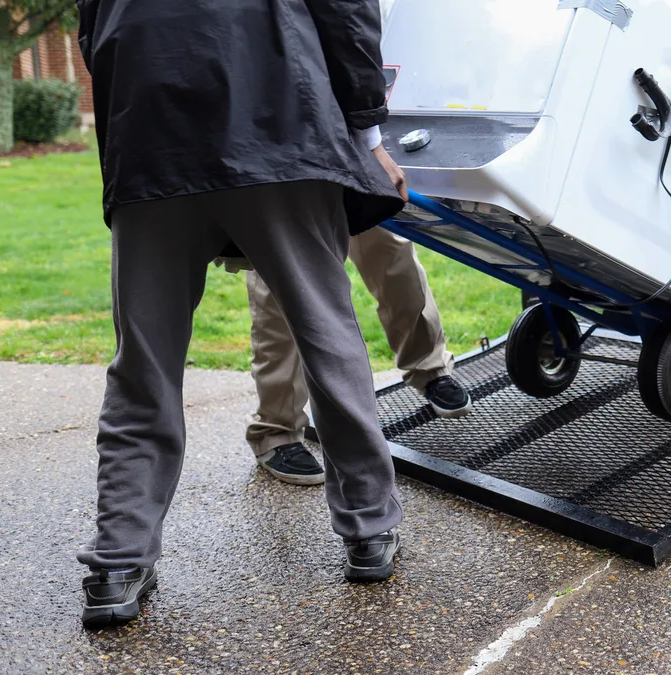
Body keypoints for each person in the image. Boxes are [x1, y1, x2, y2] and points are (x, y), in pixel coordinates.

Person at [76, 0, 407, 629]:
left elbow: (94, 23)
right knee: (325, 333)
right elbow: (346, 10)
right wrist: (367, 131)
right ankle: (369, 528)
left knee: (143, 361)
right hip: (279, 115)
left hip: (150, 128)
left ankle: (118, 561)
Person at [246, 226, 472, 486]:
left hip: (353, 183)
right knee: (282, 283)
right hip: (280, 187)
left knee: (394, 254)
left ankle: (429, 368)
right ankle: (275, 430)